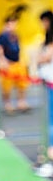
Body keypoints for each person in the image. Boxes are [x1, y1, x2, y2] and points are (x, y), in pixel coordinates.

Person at [0, 16, 30, 114]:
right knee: (7, 86)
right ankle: (8, 104)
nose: (14, 26)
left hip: (17, 62)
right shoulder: (3, 36)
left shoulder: (15, 35)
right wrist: (3, 62)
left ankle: (21, 102)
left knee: (22, 84)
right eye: (12, 23)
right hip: (8, 63)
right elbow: (0, 50)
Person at [37, 10, 53, 171]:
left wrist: (39, 57)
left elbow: (45, 57)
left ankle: (49, 155)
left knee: (51, 121)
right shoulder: (47, 38)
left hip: (51, 83)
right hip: (49, 83)